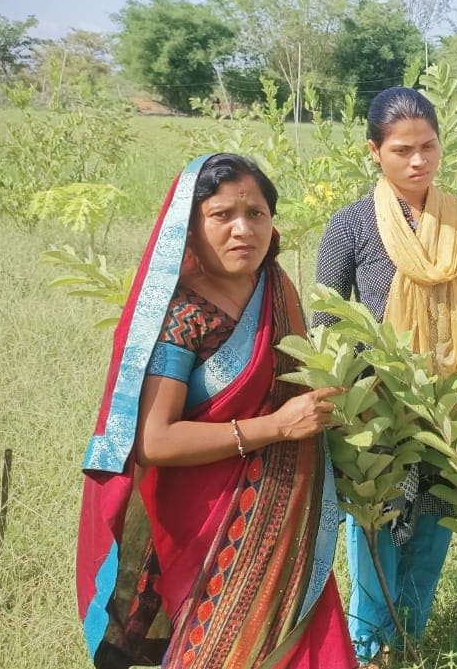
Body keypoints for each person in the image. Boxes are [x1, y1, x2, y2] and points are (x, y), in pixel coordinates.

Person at [75, 153, 356, 669]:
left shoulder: (277, 289)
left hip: (284, 513)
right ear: (191, 227)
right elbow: (155, 440)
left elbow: (293, 384)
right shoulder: (182, 316)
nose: (242, 229)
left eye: (256, 214)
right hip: (205, 526)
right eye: (222, 215)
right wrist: (276, 427)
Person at [314, 86, 457, 667]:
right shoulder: (351, 225)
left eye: (428, 146)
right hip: (377, 401)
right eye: (401, 150)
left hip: (450, 396)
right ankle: (370, 645)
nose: (418, 161)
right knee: (377, 518)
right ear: (375, 152)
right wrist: (342, 399)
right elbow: (325, 319)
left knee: (437, 512)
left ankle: (411, 635)